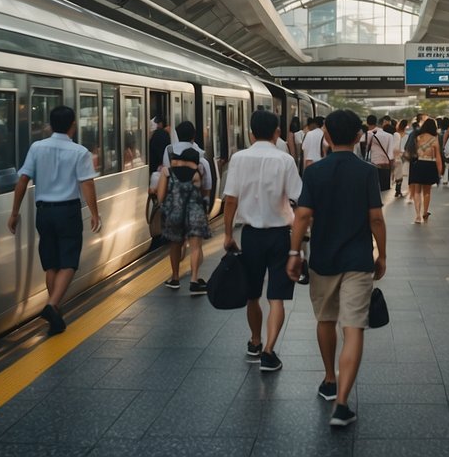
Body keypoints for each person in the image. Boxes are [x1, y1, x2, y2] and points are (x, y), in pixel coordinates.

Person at [287, 110, 388, 428]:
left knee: (325, 319)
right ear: (359, 137)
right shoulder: (367, 172)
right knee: (354, 327)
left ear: (326, 136)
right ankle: (343, 403)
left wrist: (294, 252)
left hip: (323, 259)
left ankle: (330, 379)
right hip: (358, 261)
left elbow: (302, 217)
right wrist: (381, 254)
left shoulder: (314, 173)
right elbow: (376, 218)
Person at [221, 110, 304, 372]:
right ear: (277, 133)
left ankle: (255, 341)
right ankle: (269, 351)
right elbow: (297, 198)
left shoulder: (238, 158)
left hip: (251, 235)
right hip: (280, 235)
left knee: (252, 294)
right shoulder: (285, 160)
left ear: (251, 133)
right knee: (276, 297)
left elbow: (231, 200)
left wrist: (227, 234)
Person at [7, 106, 100, 336]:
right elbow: (86, 184)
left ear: (50, 124)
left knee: (51, 263)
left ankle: (55, 314)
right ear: (73, 125)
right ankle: (51, 306)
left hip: (44, 212)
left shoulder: (37, 148)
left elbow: (23, 181)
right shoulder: (79, 152)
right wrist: (95, 213)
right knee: (69, 261)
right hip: (67, 211)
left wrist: (14, 212)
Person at [156, 147, 211, 293]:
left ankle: (175, 278)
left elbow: (160, 197)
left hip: (175, 214)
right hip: (194, 213)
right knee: (195, 247)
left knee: (175, 245)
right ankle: (194, 280)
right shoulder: (197, 173)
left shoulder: (167, 172)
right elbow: (203, 192)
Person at [408, 119, 442, 224]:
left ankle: (417, 215)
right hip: (429, 164)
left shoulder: (417, 138)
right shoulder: (434, 139)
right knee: (427, 191)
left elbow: (412, 151)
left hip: (418, 164)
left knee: (417, 191)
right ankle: (425, 212)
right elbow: (438, 157)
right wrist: (439, 171)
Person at [363, 115, 395, 193]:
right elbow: (391, 154)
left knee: (374, 191)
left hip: (374, 165)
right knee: (385, 192)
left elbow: (364, 150)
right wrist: (393, 169)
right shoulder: (389, 136)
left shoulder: (368, 134)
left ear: (367, 123)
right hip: (386, 166)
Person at [392, 118, 408, 200]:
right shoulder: (407, 136)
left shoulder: (395, 134)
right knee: (402, 173)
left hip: (396, 155)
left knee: (397, 172)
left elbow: (393, 146)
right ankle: (399, 189)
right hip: (404, 156)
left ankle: (397, 189)